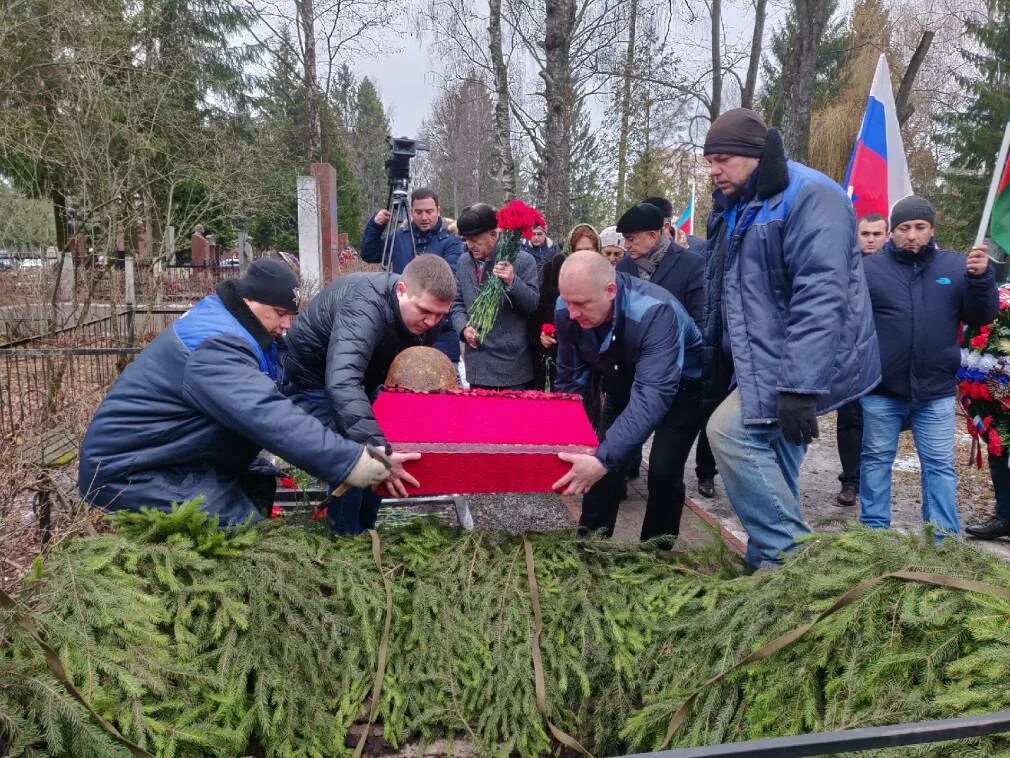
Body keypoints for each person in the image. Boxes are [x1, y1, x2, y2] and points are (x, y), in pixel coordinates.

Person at [78, 259, 390, 524]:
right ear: (252, 301)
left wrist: (346, 439)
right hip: (130, 472)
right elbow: (267, 414)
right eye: (280, 312)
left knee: (259, 483)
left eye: (291, 315)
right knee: (242, 528)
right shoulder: (217, 345)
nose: (286, 324)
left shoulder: (245, 334)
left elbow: (287, 402)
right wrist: (351, 462)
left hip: (173, 454)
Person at [702, 108, 880, 570]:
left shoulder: (811, 195)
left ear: (753, 155)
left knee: (728, 432)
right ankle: (766, 570)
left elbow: (822, 294)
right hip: (760, 360)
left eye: (721, 159)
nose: (713, 170)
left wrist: (799, 386)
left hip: (798, 364)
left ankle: (797, 563)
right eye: (709, 160)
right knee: (774, 466)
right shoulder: (735, 205)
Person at [281, 254, 458, 533]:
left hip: (362, 379)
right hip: (313, 380)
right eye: (425, 311)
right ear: (401, 290)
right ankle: (345, 539)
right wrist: (380, 453)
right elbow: (341, 383)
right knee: (355, 456)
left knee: (383, 449)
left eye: (440, 315)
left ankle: (366, 531)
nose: (431, 322)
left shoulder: (424, 317)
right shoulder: (365, 307)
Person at [860, 196, 997, 535]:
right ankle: (874, 534)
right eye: (904, 228)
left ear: (932, 229)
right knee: (876, 462)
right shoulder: (870, 269)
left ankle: (942, 538)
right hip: (882, 389)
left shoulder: (954, 267)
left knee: (938, 466)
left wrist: (981, 280)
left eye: (920, 227)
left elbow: (981, 315)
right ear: (892, 232)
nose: (912, 235)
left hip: (934, 391)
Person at [552, 250, 704, 543]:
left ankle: (655, 552)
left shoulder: (655, 312)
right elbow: (571, 380)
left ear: (610, 291)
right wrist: (575, 439)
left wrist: (602, 459)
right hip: (621, 380)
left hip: (680, 390)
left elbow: (653, 395)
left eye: (581, 304)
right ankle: (591, 545)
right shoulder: (567, 308)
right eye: (567, 302)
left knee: (662, 470)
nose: (571, 313)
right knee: (600, 457)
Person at [359, 187, 464, 364]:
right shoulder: (400, 237)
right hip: (403, 328)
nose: (424, 217)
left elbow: (449, 281)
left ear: (438, 211)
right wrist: (376, 226)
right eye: (419, 212)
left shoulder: (450, 242)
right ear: (411, 212)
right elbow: (369, 253)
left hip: (441, 331)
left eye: (429, 212)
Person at [450, 202, 540, 390]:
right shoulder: (463, 262)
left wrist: (512, 282)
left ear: (494, 234)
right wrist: (464, 329)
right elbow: (457, 302)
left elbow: (532, 304)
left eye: (475, 240)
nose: (469, 246)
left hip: (511, 368)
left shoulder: (523, 261)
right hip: (477, 366)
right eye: (466, 240)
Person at [835, 213, 890, 507]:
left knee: (878, 425)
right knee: (850, 422)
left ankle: (874, 485)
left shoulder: (896, 269)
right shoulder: (846, 266)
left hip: (885, 360)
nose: (870, 239)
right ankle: (850, 481)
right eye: (865, 233)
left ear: (887, 235)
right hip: (852, 358)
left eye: (876, 234)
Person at [532, 224, 600, 390]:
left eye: (589, 250)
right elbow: (542, 310)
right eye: (579, 250)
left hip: (597, 353)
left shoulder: (604, 275)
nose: (584, 255)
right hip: (564, 352)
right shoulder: (554, 271)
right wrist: (544, 333)